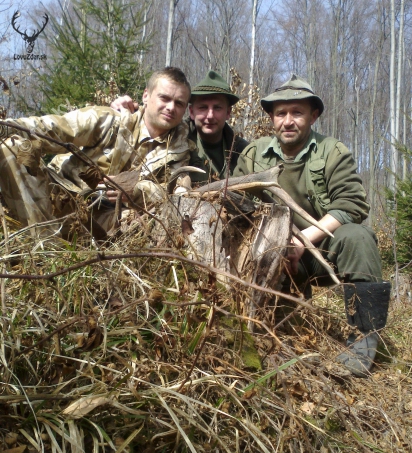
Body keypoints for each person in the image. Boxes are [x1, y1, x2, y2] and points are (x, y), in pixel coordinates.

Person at [234, 74, 391, 377]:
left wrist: (301, 240)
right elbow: (235, 205)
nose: (288, 121)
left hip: (321, 254)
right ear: (271, 117)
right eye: (281, 113)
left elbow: (352, 205)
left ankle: (363, 339)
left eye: (297, 113)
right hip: (269, 253)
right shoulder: (254, 153)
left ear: (313, 116)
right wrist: (274, 245)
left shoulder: (332, 151)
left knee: (357, 237)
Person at [0, 67, 196, 237]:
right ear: (146, 95)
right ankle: (43, 251)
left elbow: (173, 198)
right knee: (13, 147)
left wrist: (136, 191)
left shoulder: (179, 151)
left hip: (107, 220)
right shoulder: (110, 120)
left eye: (179, 103)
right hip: (59, 197)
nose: (171, 107)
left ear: (186, 109)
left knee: (148, 223)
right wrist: (5, 127)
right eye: (165, 98)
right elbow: (54, 129)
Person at [111, 70, 248, 181]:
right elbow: (152, 119)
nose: (210, 115)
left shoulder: (242, 151)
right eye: (203, 108)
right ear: (191, 112)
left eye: (217, 108)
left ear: (228, 112)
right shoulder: (176, 134)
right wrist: (127, 107)